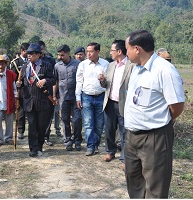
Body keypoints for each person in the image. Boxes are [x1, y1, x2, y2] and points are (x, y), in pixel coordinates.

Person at [124, 30, 185, 198]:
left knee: (155, 186)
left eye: (127, 48)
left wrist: (165, 120)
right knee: (134, 182)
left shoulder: (164, 70)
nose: (125, 52)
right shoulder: (136, 68)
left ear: (137, 49)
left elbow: (177, 104)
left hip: (155, 137)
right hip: (132, 136)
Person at [98, 40, 135, 170]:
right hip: (110, 102)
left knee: (124, 132)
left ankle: (125, 158)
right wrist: (102, 81)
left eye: (112, 50)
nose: (110, 53)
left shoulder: (131, 66)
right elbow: (106, 85)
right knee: (108, 130)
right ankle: (110, 151)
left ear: (119, 52)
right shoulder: (111, 65)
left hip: (124, 104)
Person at [16, 43, 55, 157]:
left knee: (41, 126)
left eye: (32, 54)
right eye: (28, 53)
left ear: (38, 54)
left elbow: (53, 79)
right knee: (32, 126)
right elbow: (22, 82)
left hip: (42, 101)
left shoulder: (46, 66)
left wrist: (45, 81)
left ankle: (39, 146)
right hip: (29, 101)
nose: (29, 56)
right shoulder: (24, 67)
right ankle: (32, 148)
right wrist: (19, 84)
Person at [75, 42, 109, 156]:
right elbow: (79, 82)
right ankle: (90, 146)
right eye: (87, 52)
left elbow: (109, 83)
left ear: (98, 52)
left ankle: (96, 144)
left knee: (99, 124)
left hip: (101, 96)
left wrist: (103, 80)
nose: (88, 54)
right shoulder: (83, 65)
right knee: (88, 123)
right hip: (86, 96)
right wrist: (78, 97)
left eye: (91, 51)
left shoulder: (105, 64)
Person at [54, 44, 82, 151]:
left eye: (62, 55)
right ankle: (68, 141)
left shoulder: (78, 64)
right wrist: (54, 95)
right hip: (63, 97)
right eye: (58, 55)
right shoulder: (57, 66)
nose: (59, 57)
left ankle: (78, 141)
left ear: (68, 53)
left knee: (77, 119)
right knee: (64, 119)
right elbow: (56, 81)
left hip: (76, 97)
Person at [37, 40, 61, 146]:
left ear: (44, 49)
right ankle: (37, 137)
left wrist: (56, 93)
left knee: (48, 116)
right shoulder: (31, 62)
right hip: (36, 94)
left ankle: (46, 136)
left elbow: (55, 78)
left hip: (48, 93)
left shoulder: (50, 60)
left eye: (41, 49)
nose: (40, 51)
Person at [0, 55, 17, 146]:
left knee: (9, 120)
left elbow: (14, 89)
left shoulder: (10, 74)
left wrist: (15, 98)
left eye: (2, 64)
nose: (0, 66)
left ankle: (8, 138)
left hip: (8, 100)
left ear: (6, 64)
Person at [10, 42, 30, 139]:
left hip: (31, 90)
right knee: (21, 111)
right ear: (22, 51)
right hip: (21, 90)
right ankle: (21, 131)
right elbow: (12, 77)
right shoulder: (15, 62)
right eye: (27, 51)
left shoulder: (31, 61)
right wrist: (15, 83)